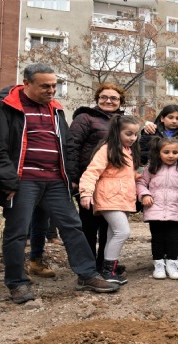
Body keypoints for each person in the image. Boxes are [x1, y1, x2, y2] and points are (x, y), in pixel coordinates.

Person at [0, 63, 119, 304]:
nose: (51, 90)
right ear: (27, 83)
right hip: (23, 182)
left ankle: (87, 274)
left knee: (72, 227)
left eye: (54, 85)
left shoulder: (55, 109)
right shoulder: (2, 108)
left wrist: (71, 177)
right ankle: (17, 283)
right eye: (45, 86)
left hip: (55, 181)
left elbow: (65, 146)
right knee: (17, 232)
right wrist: (10, 180)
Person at [70, 82, 127, 273]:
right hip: (90, 180)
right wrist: (74, 177)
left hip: (114, 183)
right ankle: (87, 267)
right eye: (104, 97)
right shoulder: (85, 118)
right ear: (97, 99)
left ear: (121, 101)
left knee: (110, 227)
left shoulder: (123, 121)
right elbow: (72, 147)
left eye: (114, 98)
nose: (108, 101)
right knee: (88, 226)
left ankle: (105, 263)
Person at [79, 115, 141, 285]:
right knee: (123, 232)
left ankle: (109, 270)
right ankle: (107, 270)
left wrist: (139, 177)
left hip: (123, 199)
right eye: (128, 133)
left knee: (113, 233)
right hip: (109, 197)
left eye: (135, 135)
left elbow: (124, 175)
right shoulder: (107, 149)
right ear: (116, 131)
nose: (133, 138)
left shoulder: (127, 151)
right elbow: (92, 172)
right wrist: (85, 192)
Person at [137, 137, 178, 280]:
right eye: (166, 152)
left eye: (175, 152)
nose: (171, 155)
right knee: (157, 238)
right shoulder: (151, 168)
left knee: (174, 238)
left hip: (176, 211)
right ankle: (158, 264)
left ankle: (172, 263)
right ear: (158, 153)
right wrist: (144, 194)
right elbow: (141, 183)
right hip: (155, 210)